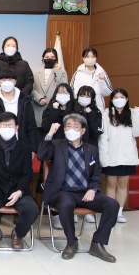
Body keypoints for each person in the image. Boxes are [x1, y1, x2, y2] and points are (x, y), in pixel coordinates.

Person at [37, 114, 120, 262]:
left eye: (75, 127)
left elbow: (96, 174)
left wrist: (92, 189)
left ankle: (97, 243)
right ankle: (71, 242)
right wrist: (50, 134)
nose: (71, 129)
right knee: (65, 204)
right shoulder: (56, 145)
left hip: (85, 192)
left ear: (82, 131)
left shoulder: (91, 150)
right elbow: (41, 156)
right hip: (62, 192)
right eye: (68, 126)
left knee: (112, 205)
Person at [41, 83, 102, 226]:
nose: (62, 95)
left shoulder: (78, 110)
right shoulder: (50, 108)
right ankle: (58, 214)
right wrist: (54, 110)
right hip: (56, 148)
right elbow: (45, 127)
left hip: (75, 148)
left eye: (66, 92)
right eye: (60, 92)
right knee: (58, 179)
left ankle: (77, 210)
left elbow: (86, 131)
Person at [0, 112, 38, 251]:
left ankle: (18, 234)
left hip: (17, 189)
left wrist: (20, 191)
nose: (7, 128)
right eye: (4, 125)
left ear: (16, 127)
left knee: (32, 210)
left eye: (10, 125)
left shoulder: (25, 148)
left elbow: (27, 174)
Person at [98, 89, 139, 224]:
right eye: (116, 97)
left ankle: (119, 212)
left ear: (126, 99)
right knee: (110, 184)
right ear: (112, 99)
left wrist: (138, 113)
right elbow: (103, 137)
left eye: (122, 97)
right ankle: (111, 211)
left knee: (122, 184)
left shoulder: (131, 114)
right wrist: (104, 157)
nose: (119, 99)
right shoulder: (106, 114)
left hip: (127, 156)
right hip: (111, 156)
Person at [0, 71, 38, 156]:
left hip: (20, 144)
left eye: (10, 79)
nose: (7, 82)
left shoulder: (25, 100)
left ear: (15, 81)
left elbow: (31, 125)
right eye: (4, 79)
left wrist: (33, 149)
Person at [32, 48, 68, 137]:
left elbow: (64, 88)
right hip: (38, 110)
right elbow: (30, 89)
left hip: (55, 111)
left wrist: (57, 72)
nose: (49, 59)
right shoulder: (35, 73)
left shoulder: (61, 72)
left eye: (52, 57)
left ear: (56, 59)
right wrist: (39, 98)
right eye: (47, 57)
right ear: (43, 58)